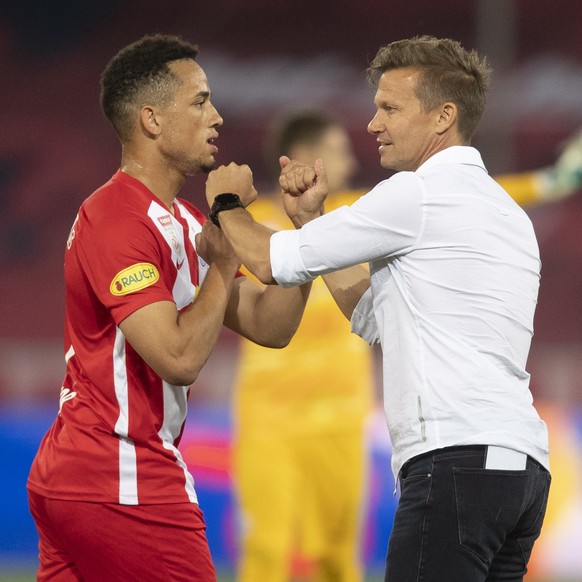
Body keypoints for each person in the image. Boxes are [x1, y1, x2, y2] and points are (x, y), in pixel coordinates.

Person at [203, 36, 551, 582]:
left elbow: (272, 263)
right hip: (520, 471)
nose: (373, 124)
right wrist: (310, 221)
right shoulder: (509, 216)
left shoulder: (415, 195)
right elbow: (371, 317)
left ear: (443, 116)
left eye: (390, 108)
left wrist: (226, 204)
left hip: (452, 461)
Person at [26, 34, 312, 582]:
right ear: (152, 120)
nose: (218, 117)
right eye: (200, 101)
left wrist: (308, 235)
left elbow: (269, 326)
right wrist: (225, 261)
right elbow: (177, 357)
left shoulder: (179, 221)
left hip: (83, 476)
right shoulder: (116, 217)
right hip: (121, 475)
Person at [233, 111, 373, 582]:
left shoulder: (360, 220)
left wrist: (549, 183)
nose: (352, 161)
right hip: (270, 422)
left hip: (341, 419)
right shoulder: (249, 229)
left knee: (337, 560)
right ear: (311, 161)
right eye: (340, 150)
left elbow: (453, 196)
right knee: (266, 551)